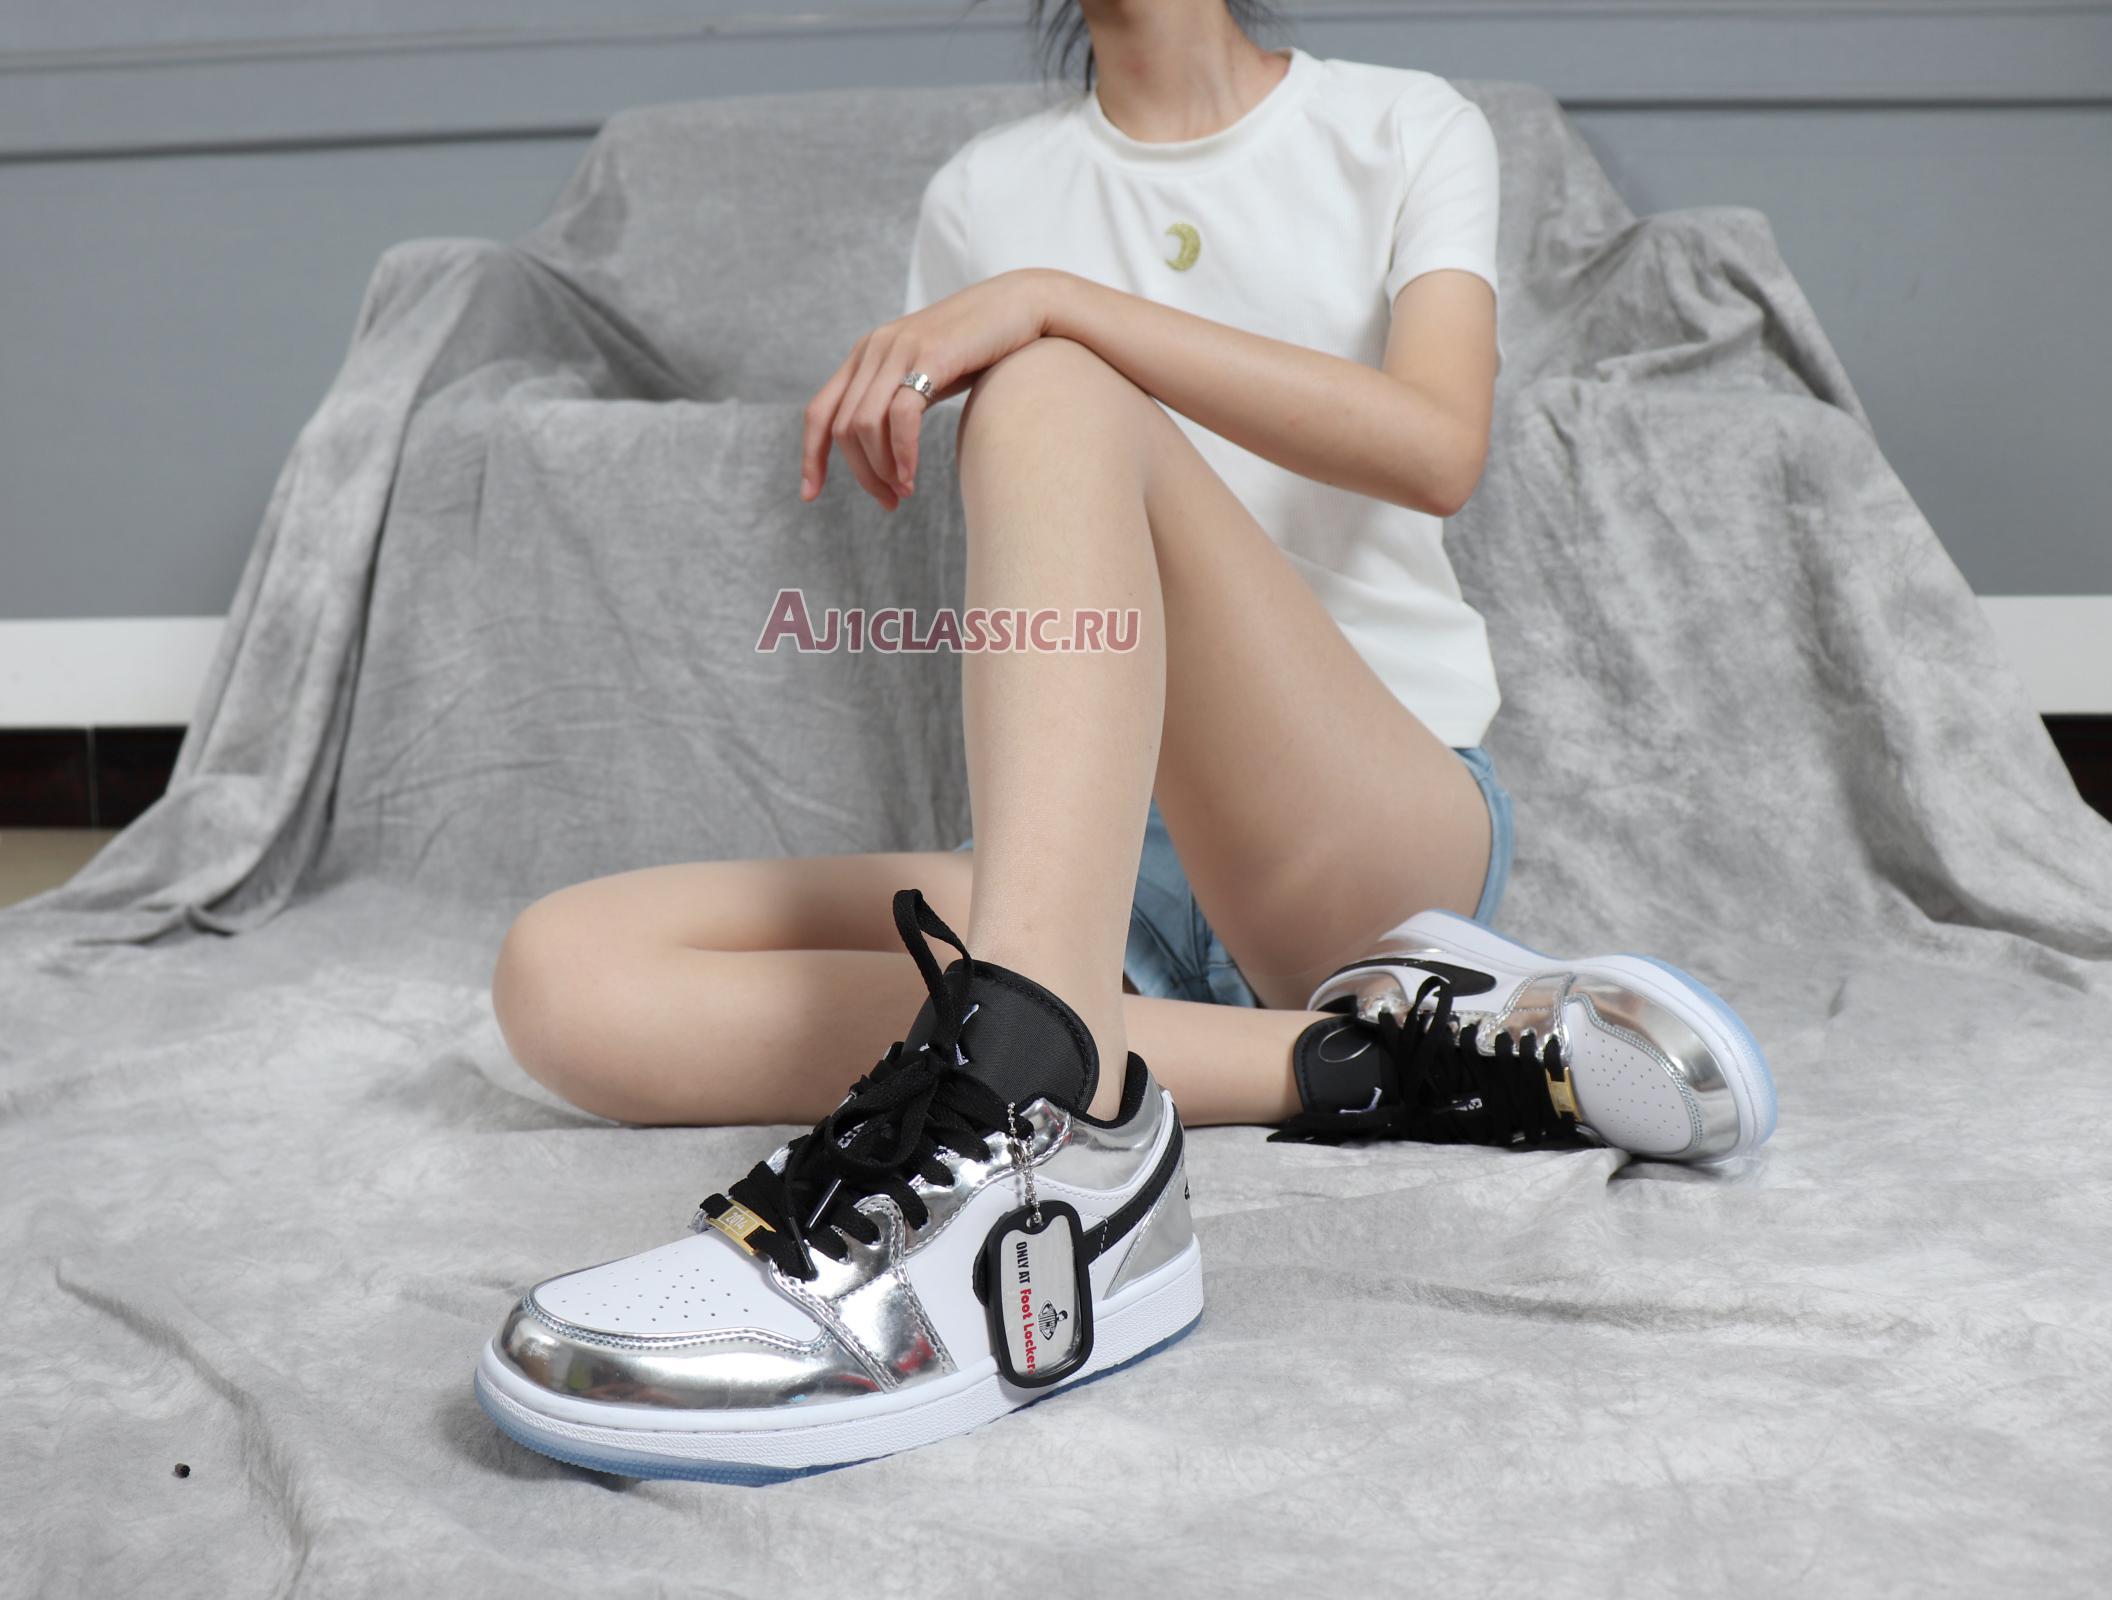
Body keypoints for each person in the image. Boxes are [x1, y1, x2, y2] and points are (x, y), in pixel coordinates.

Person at [470, 2, 1777, 1482]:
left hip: (1353, 829)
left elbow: (1435, 446)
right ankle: (1394, 1060)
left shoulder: (1404, 127)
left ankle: (1036, 1108)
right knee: (563, 975)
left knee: (1049, 380)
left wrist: (1055, 307)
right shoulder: (984, 192)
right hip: (1099, 874)